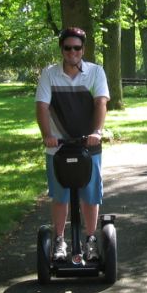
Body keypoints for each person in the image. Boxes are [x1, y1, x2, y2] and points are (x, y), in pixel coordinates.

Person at [35, 27, 110, 262]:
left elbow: (100, 103)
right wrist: (47, 134)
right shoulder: (49, 74)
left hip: (89, 145)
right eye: (67, 48)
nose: (72, 52)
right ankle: (59, 240)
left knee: (90, 195)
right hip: (58, 147)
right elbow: (42, 107)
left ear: (83, 49)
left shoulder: (96, 72)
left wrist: (96, 132)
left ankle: (90, 239)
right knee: (60, 195)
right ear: (62, 49)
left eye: (77, 48)